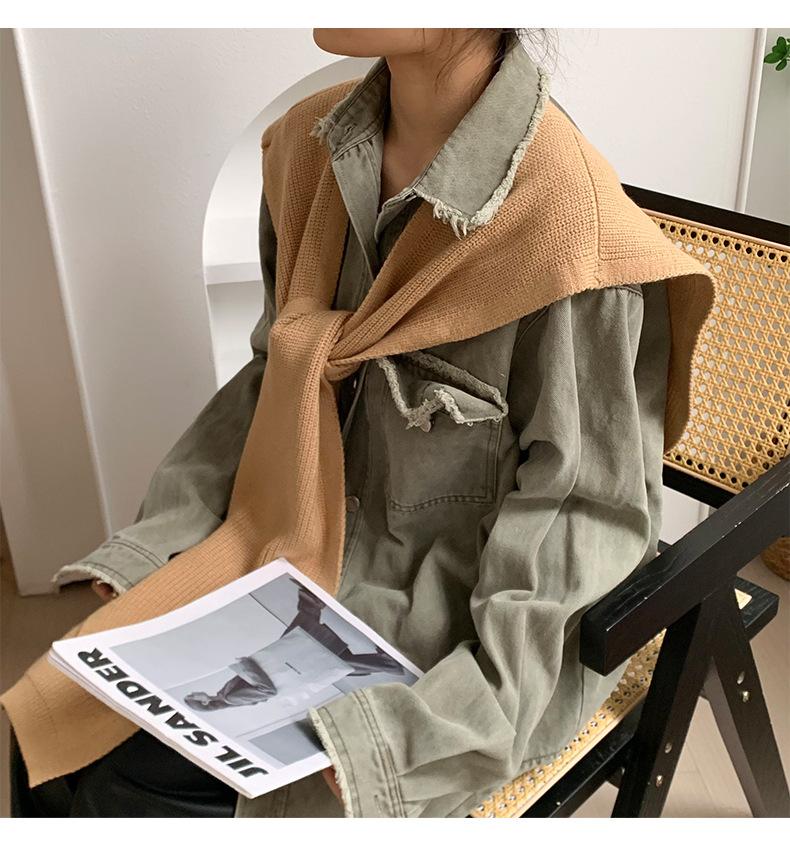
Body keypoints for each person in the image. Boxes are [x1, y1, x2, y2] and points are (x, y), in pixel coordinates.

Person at [9, 29, 678, 817]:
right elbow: (272, 379)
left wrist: (417, 737)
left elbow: (580, 524)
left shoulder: (572, 235)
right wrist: (164, 544)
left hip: (438, 634)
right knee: (43, 742)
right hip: (279, 560)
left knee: (127, 796)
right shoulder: (306, 151)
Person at [183, 582, 405, 712]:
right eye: (194, 695)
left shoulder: (225, 695)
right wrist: (248, 666)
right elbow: (267, 691)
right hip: (285, 668)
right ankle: (387, 664)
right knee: (330, 658)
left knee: (308, 638)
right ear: (203, 701)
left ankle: (311, 598)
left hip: (283, 665)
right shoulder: (230, 698)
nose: (195, 691)